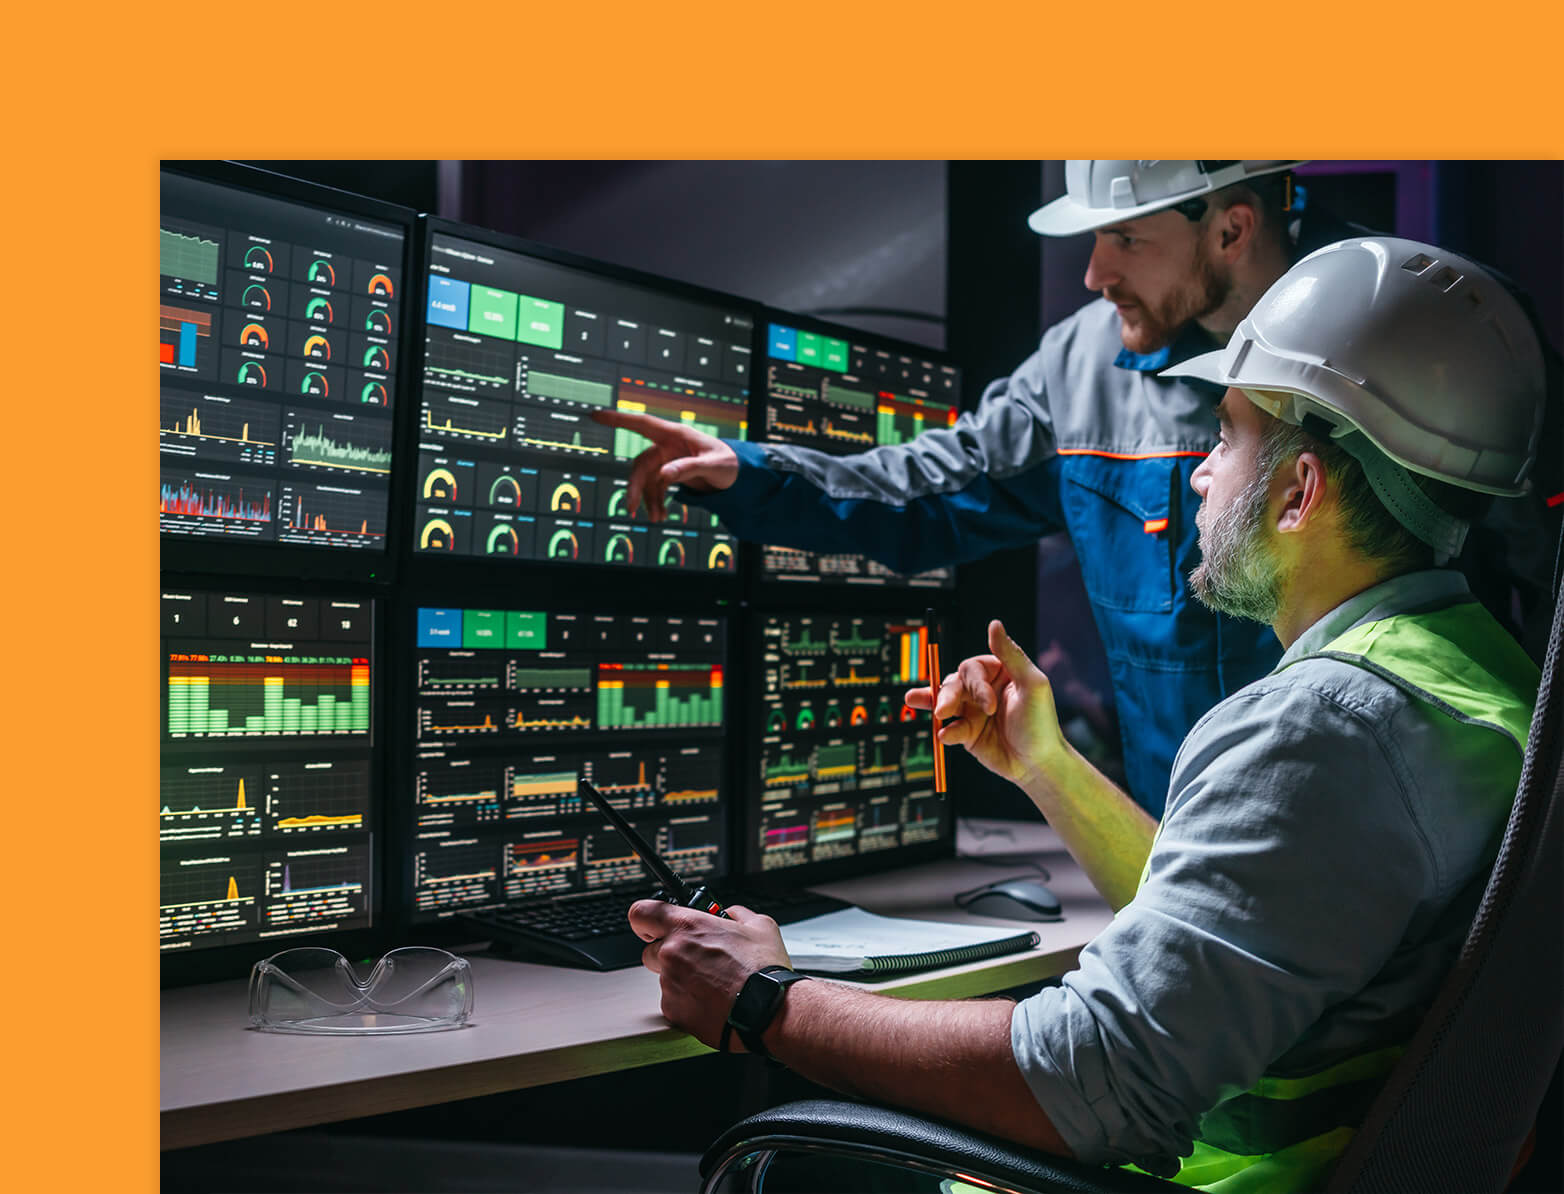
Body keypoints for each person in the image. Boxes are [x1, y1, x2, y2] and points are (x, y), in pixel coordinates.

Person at [627, 236, 1546, 1192]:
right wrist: (1047, 767)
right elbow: (1251, 926)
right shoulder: (1480, 678)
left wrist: (765, 998)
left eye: (1224, 437)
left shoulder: (1322, 728)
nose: (1196, 470)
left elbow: (1096, 1079)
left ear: (1298, 493)